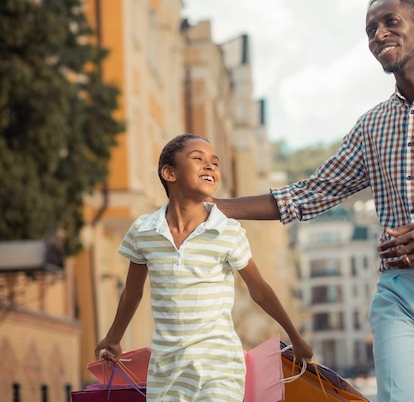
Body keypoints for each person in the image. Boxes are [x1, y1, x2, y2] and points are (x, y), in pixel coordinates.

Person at [211, 0, 414, 402]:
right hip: (399, 292)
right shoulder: (372, 126)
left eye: (391, 22)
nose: (379, 34)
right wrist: (214, 209)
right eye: (371, 29)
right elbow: (309, 194)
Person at [95, 134, 313, 402]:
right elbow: (132, 293)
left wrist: (295, 337)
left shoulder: (228, 231)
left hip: (219, 366)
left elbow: (259, 289)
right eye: (198, 159)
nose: (210, 166)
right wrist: (113, 338)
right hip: (167, 370)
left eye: (215, 163)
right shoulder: (144, 230)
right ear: (169, 173)